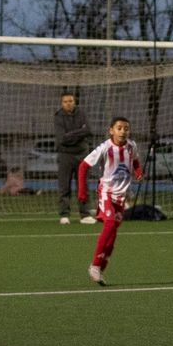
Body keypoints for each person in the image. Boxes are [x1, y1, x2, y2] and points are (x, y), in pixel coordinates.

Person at [77, 117, 143, 285]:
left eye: (126, 128)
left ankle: (100, 268)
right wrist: (82, 191)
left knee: (113, 233)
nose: (123, 131)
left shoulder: (131, 146)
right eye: (119, 128)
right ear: (111, 130)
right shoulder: (105, 148)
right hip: (106, 192)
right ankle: (94, 266)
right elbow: (83, 166)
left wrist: (138, 171)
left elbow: (135, 160)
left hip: (121, 196)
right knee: (110, 224)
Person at [54, 92, 96, 225]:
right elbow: (62, 138)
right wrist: (79, 133)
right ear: (62, 103)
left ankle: (85, 215)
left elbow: (88, 130)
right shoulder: (58, 116)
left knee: (83, 185)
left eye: (71, 101)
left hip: (82, 155)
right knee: (64, 186)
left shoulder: (82, 113)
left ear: (74, 102)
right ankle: (64, 215)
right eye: (65, 101)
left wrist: (70, 135)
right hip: (65, 155)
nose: (68, 103)